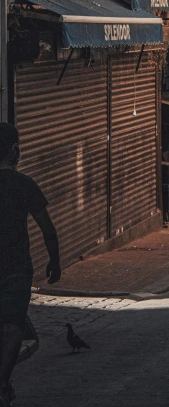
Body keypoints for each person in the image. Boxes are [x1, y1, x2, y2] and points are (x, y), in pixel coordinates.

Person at [0, 123, 61, 407]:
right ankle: (1, 383)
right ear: (15, 151)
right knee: (12, 328)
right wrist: (55, 261)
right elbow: (47, 229)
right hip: (15, 268)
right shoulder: (24, 184)